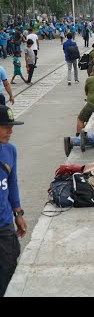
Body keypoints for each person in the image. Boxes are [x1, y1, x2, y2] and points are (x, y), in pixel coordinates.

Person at [0, 105, 26, 296]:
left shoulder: (10, 151)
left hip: (4, 225)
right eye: (4, 126)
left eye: (11, 125)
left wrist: (18, 212)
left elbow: (12, 183)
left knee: (9, 268)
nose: (10, 130)